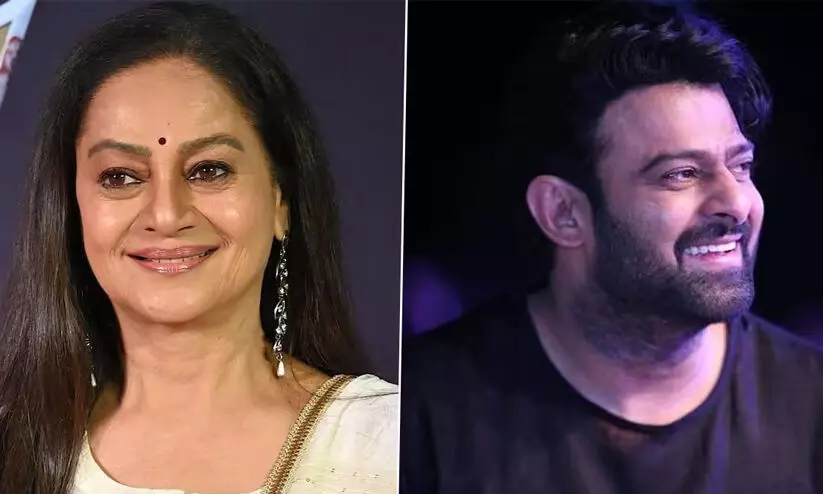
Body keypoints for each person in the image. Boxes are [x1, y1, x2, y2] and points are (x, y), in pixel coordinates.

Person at [400, 3, 823, 493]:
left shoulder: (810, 404)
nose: (736, 202)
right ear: (563, 213)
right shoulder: (419, 414)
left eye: (741, 166)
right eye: (681, 174)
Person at [0, 2, 398, 493]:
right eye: (120, 177)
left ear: (281, 201)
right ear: (70, 208)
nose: (167, 214)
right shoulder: (14, 448)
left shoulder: (387, 444)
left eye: (209, 170)